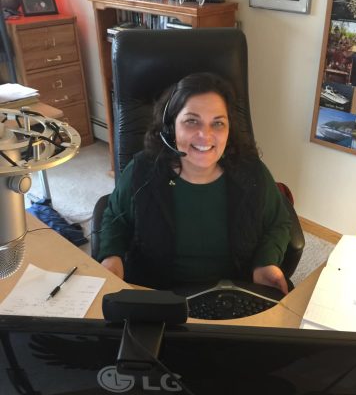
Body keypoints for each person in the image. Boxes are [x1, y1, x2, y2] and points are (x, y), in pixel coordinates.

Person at [98, 72, 291, 294]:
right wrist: (111, 256)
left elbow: (279, 222)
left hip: (235, 292)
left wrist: (266, 262)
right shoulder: (142, 171)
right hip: (158, 293)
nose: (205, 135)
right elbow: (115, 217)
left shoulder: (252, 173)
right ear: (171, 127)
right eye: (192, 121)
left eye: (218, 123)